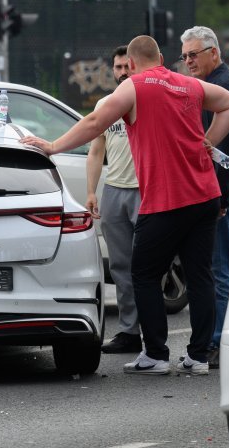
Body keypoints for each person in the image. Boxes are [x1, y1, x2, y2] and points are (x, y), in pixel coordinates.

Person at [20, 35, 229, 376]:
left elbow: (95, 123)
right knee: (200, 276)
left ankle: (155, 354)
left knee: (144, 273)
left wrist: (52, 147)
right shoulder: (189, 84)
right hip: (205, 195)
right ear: (162, 58)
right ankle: (197, 357)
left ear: (132, 64)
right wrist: (209, 141)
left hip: (166, 199)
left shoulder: (133, 87)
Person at [179, 26, 229, 369]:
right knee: (215, 265)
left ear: (214, 51)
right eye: (184, 56)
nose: (188, 62)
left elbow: (224, 148)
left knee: (220, 266)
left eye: (193, 55)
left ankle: (218, 342)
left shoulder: (222, 85)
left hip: (223, 188)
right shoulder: (218, 82)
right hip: (224, 186)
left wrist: (220, 197)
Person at [86, 46, 142, 355]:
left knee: (147, 267)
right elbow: (96, 151)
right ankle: (129, 332)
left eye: (127, 67)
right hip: (114, 191)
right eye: (118, 67)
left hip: (146, 191)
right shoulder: (105, 105)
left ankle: (155, 335)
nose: (122, 72)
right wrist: (92, 190)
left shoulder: (148, 101)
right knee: (120, 266)